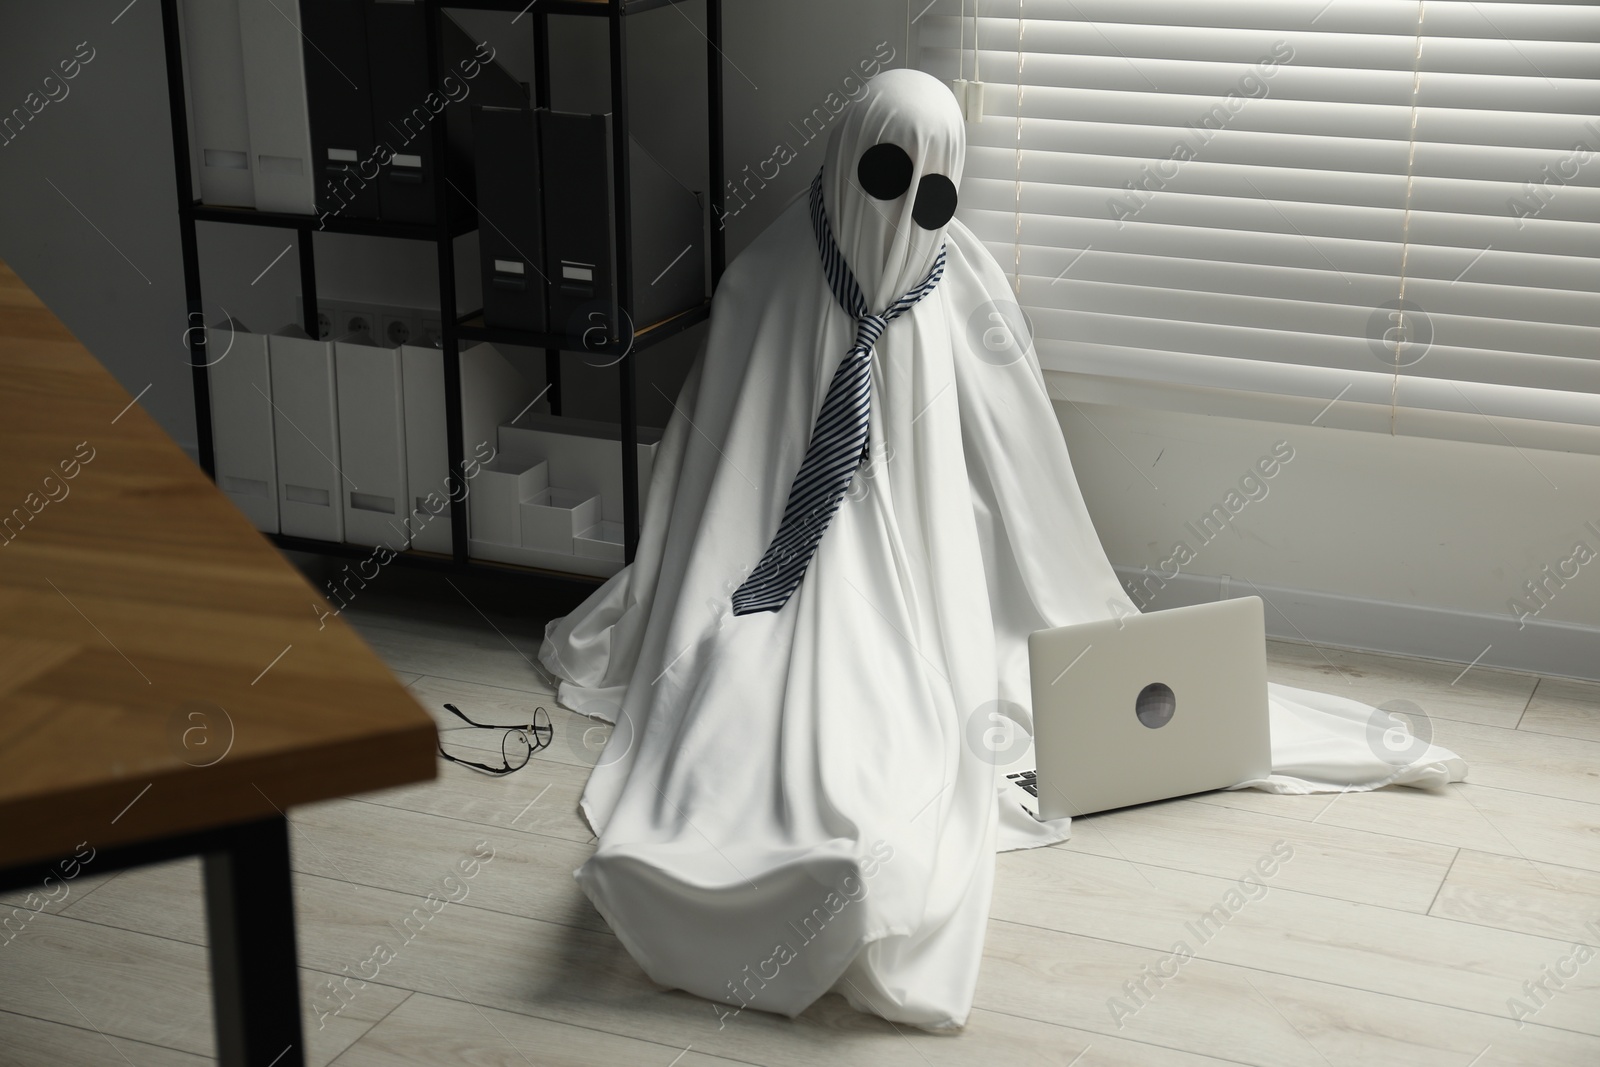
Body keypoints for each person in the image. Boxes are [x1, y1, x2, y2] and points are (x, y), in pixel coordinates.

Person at [537, 68, 1463, 1031]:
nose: (902, 216)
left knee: (922, 713)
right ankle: (745, 873)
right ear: (845, 153)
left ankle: (851, 869)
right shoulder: (766, 284)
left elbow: (1019, 460)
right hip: (787, 566)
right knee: (751, 699)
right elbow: (719, 460)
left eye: (933, 195)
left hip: (940, 556)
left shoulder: (957, 285)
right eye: (886, 175)